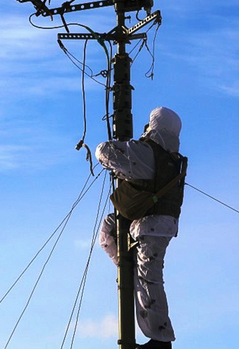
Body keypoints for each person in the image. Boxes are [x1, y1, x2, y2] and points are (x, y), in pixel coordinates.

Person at [96, 107, 187, 349]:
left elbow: (103, 151)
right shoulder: (171, 159)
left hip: (149, 224)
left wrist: (128, 145)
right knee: (110, 228)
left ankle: (160, 339)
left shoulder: (146, 152)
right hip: (159, 222)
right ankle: (125, 264)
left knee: (149, 279)